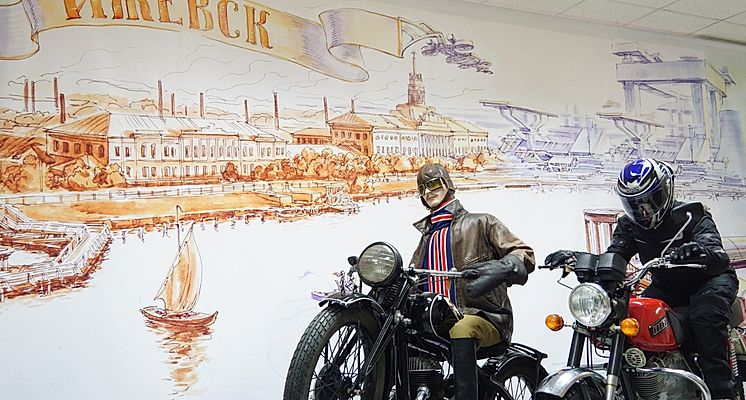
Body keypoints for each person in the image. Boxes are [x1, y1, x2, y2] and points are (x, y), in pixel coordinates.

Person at [545, 158, 736, 400]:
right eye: (634, 204)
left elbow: (718, 256)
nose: (643, 210)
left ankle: (722, 391)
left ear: (665, 192)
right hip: (666, 285)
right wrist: (580, 259)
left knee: (704, 316)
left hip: (709, 280)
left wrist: (700, 252)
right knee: (631, 317)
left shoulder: (691, 215)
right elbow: (615, 256)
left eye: (648, 201)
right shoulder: (629, 225)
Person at [409, 163, 536, 400]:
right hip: (437, 321)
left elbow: (524, 253)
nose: (428, 191)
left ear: (447, 184)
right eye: (422, 188)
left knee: (462, 327)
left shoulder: (481, 222)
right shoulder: (427, 238)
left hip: (484, 315)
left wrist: (503, 267)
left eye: (434, 184)